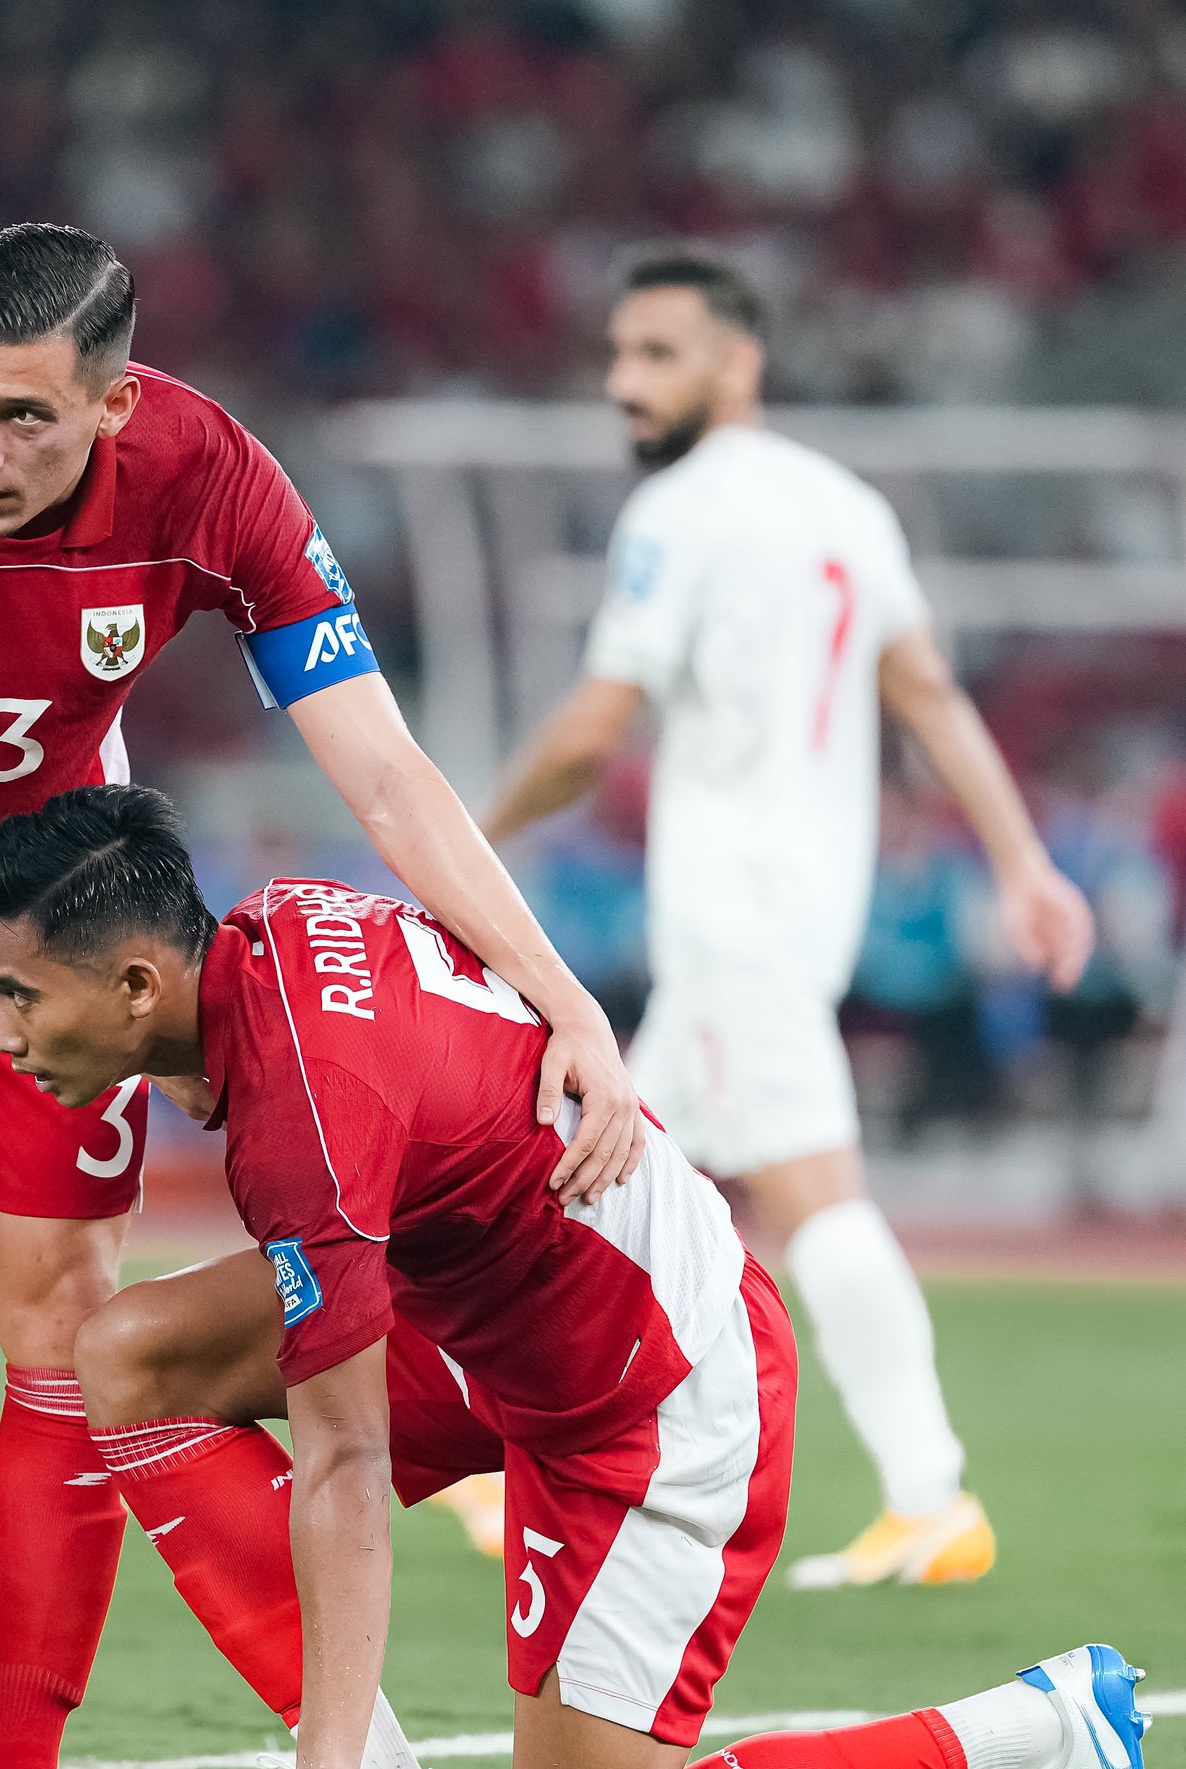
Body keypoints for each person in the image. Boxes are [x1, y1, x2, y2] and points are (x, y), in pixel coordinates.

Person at [0, 223, 641, 1769]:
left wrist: (562, 996)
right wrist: (53, 988)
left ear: (116, 405)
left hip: (62, 904)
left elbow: (386, 776)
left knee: (66, 1321)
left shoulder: (214, 481)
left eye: (25, 415)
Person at [0, 783, 1163, 1769]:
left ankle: (1041, 1729)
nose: (3, 1033)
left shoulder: (307, 1121)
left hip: (655, 1384)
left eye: (19, 996)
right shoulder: (271, 926)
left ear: (137, 982)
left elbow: (344, 1460)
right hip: (498, 1320)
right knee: (134, 1357)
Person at [484, 251, 1097, 1588]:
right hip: (796, 909)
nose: (624, 382)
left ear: (738, 360)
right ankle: (504, 1458)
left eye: (656, 355)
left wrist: (463, 836)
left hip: (734, 915)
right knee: (592, 1176)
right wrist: (1022, 863)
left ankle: (931, 1494)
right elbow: (927, 693)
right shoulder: (844, 505)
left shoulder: (680, 512)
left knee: (807, 1194)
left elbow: (591, 731)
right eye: (618, 355)